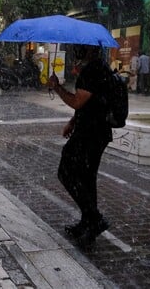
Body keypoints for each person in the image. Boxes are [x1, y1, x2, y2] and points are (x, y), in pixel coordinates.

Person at [47, 44, 112, 247]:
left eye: (81, 48)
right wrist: (73, 122)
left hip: (91, 134)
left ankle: (94, 218)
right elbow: (88, 105)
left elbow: (77, 101)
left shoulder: (93, 71)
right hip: (95, 131)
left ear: (90, 49)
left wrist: (57, 87)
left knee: (66, 172)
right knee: (86, 178)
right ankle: (88, 225)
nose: (78, 50)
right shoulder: (99, 68)